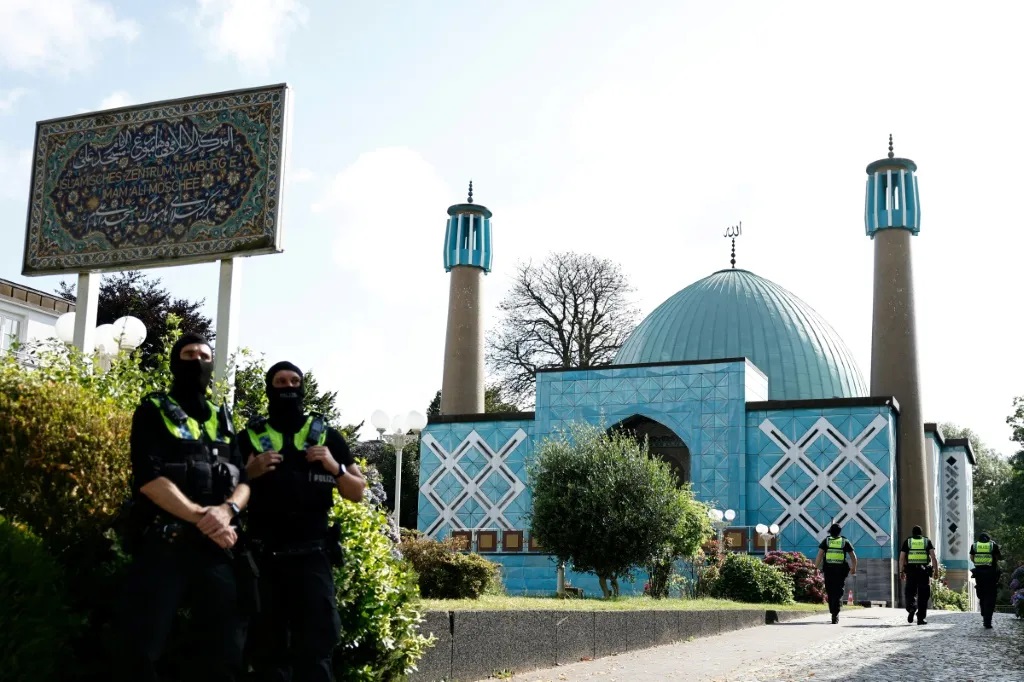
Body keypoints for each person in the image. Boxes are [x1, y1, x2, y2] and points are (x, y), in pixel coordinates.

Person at [114, 333, 251, 681]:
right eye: (188, 354)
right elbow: (148, 478)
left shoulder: (224, 418)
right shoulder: (153, 410)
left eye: (204, 356)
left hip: (217, 548)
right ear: (176, 362)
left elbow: (244, 479)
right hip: (166, 546)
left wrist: (226, 512)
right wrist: (201, 516)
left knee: (225, 652)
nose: (197, 361)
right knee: (143, 649)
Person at [242, 361, 365, 682]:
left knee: (317, 649)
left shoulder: (326, 437)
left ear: (303, 387)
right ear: (270, 388)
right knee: (268, 651)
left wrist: (334, 466)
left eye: (294, 381)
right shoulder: (250, 438)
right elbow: (228, 491)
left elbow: (357, 491)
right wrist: (249, 473)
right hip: (263, 561)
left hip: (313, 558)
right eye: (280, 381)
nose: (288, 387)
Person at [814, 523, 858, 624]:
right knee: (838, 592)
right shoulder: (844, 541)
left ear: (830, 531)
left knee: (830, 591)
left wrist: (815, 567)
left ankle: (833, 611)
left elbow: (819, 555)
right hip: (840, 571)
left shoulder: (826, 541)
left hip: (829, 570)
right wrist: (853, 568)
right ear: (839, 532)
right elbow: (853, 556)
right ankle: (835, 614)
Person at [898, 524, 938, 625]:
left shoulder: (908, 541)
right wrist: (936, 571)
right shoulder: (926, 541)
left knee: (910, 592)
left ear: (913, 533)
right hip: (923, 571)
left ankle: (911, 608)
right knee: (923, 595)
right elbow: (933, 557)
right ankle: (921, 618)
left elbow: (902, 558)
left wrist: (901, 571)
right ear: (921, 533)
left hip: (911, 571)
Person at [970, 532, 1003, 629]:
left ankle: (984, 611)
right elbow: (998, 558)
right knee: (990, 597)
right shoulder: (993, 545)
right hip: (991, 574)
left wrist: (979, 564)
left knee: (982, 594)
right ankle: (987, 621)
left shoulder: (975, 546)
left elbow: (972, 558)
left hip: (979, 574)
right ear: (989, 539)